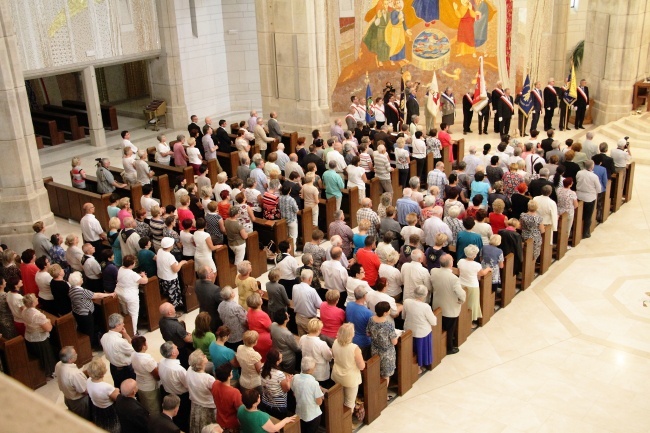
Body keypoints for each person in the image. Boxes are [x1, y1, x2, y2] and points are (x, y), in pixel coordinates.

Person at [68, 271, 114, 347]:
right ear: (78, 281)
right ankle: (90, 346)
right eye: (81, 277)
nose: (82, 278)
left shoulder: (71, 288)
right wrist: (109, 294)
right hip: (85, 313)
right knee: (89, 331)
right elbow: (96, 295)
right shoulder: (81, 291)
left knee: (84, 328)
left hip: (77, 312)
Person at [158, 342, 191, 432]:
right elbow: (188, 385)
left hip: (166, 392)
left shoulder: (161, 362)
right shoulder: (178, 369)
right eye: (175, 347)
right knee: (182, 419)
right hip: (180, 397)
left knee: (172, 418)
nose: (177, 347)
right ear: (173, 353)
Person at [22, 293, 56, 376]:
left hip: (29, 336)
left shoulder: (24, 310)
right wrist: (48, 321)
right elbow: (49, 328)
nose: (37, 298)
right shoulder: (38, 315)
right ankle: (50, 371)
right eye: (35, 298)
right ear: (33, 303)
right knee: (46, 356)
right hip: (39, 338)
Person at [114, 255, 148, 336]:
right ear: (132, 264)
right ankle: (133, 332)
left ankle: (125, 329)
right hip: (130, 296)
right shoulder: (132, 274)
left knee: (125, 313)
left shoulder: (121, 268)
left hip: (119, 293)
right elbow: (144, 281)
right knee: (133, 314)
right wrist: (143, 275)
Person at [55, 346, 91, 420]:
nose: (77, 354)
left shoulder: (58, 364)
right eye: (75, 354)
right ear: (70, 359)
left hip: (67, 397)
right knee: (84, 419)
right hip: (79, 402)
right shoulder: (74, 374)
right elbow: (84, 391)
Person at [458, 245, 490, 328]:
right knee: (472, 304)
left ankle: (461, 318)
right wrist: (488, 269)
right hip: (472, 286)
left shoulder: (460, 261)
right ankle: (469, 322)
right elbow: (482, 274)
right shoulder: (476, 265)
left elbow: (459, 271)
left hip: (461, 284)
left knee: (462, 302)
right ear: (474, 255)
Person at [86, 357, 121, 433]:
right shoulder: (106, 387)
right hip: (108, 410)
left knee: (101, 425)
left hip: (96, 407)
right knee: (112, 428)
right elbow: (117, 398)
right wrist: (117, 390)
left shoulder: (88, 381)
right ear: (102, 373)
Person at [290, 356, 324, 433]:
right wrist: (321, 396)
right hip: (312, 415)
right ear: (310, 370)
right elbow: (319, 402)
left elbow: (294, 392)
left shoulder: (295, 377)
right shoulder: (314, 383)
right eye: (314, 367)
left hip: (299, 412)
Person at [366, 301, 398, 380]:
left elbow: (368, 333)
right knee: (386, 375)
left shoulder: (371, 319)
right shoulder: (388, 325)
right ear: (385, 313)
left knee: (376, 371)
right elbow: (394, 342)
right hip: (386, 354)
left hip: (375, 350)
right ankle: (384, 390)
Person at [186, 349, 217, 433]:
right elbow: (215, 393)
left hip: (196, 404)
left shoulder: (189, 369)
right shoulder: (207, 378)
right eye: (203, 356)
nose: (205, 356)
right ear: (200, 363)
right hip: (208, 406)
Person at [258, 348, 292, 418]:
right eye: (280, 358)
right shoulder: (279, 374)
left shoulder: (262, 368)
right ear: (277, 362)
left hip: (266, 400)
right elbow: (286, 389)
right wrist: (288, 381)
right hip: (277, 405)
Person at [299, 318, 333, 386]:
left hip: (306, 369)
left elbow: (301, 349)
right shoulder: (321, 344)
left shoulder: (302, 338)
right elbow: (328, 357)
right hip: (319, 373)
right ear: (318, 330)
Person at [159, 303, 193, 368]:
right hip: (180, 348)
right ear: (169, 312)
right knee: (184, 364)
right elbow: (187, 339)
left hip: (170, 344)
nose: (174, 308)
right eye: (173, 307)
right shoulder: (176, 326)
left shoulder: (161, 321)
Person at [292, 269, 322, 336]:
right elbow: (320, 305)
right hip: (309, 320)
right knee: (312, 339)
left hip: (298, 317)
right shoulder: (311, 290)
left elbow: (294, 300)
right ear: (310, 279)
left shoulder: (295, 287)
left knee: (301, 338)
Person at [576, 160, 602, 238]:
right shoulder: (594, 176)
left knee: (579, 214)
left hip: (579, 196)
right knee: (588, 216)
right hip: (589, 198)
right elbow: (599, 189)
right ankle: (585, 233)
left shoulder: (579, 173)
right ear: (591, 167)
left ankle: (577, 231)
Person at [246, 293, 273, 362]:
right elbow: (270, 328)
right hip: (264, 340)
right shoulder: (263, 315)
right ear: (259, 302)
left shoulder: (249, 311)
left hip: (254, 338)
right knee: (266, 358)